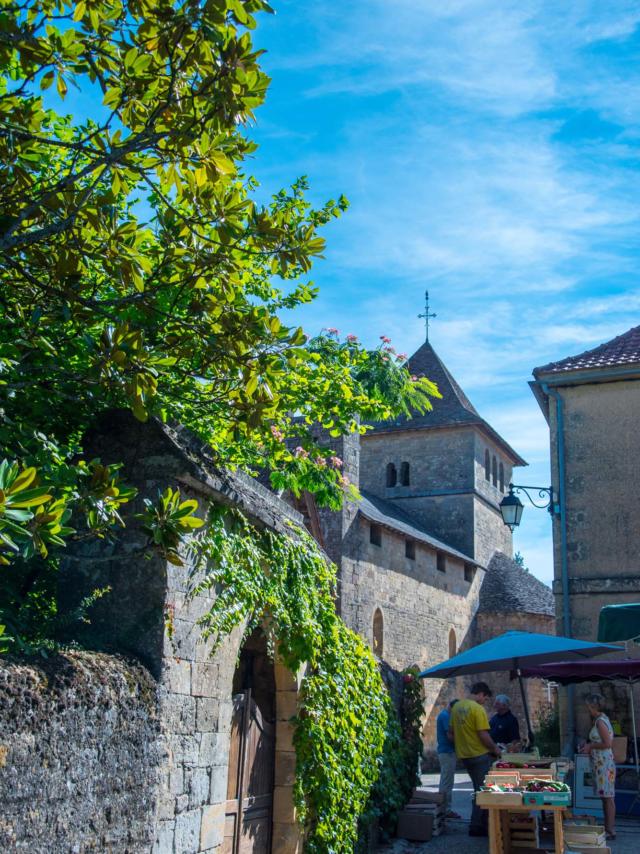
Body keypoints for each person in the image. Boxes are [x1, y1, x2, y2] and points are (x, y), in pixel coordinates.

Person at [449, 681, 502, 837]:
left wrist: (463, 743)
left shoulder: (456, 707)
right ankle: (477, 826)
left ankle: (480, 824)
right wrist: (494, 748)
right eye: (485, 698)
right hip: (479, 754)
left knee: (477, 789)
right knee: (482, 791)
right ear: (481, 694)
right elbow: (483, 734)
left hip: (464, 755)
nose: (485, 701)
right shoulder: (478, 709)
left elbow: (450, 734)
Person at [579, 692, 616, 840]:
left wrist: (590, 746)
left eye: (587, 706)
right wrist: (587, 745)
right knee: (605, 797)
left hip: (604, 764)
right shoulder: (600, 720)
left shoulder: (600, 721)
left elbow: (607, 743)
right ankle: (608, 828)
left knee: (608, 797)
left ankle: (610, 830)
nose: (586, 709)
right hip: (601, 763)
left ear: (592, 706)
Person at [437, 699, 461, 818]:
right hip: (447, 752)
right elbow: (450, 735)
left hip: (445, 752)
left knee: (445, 781)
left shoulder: (444, 715)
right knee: (447, 782)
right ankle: (446, 810)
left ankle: (443, 808)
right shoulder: (446, 716)